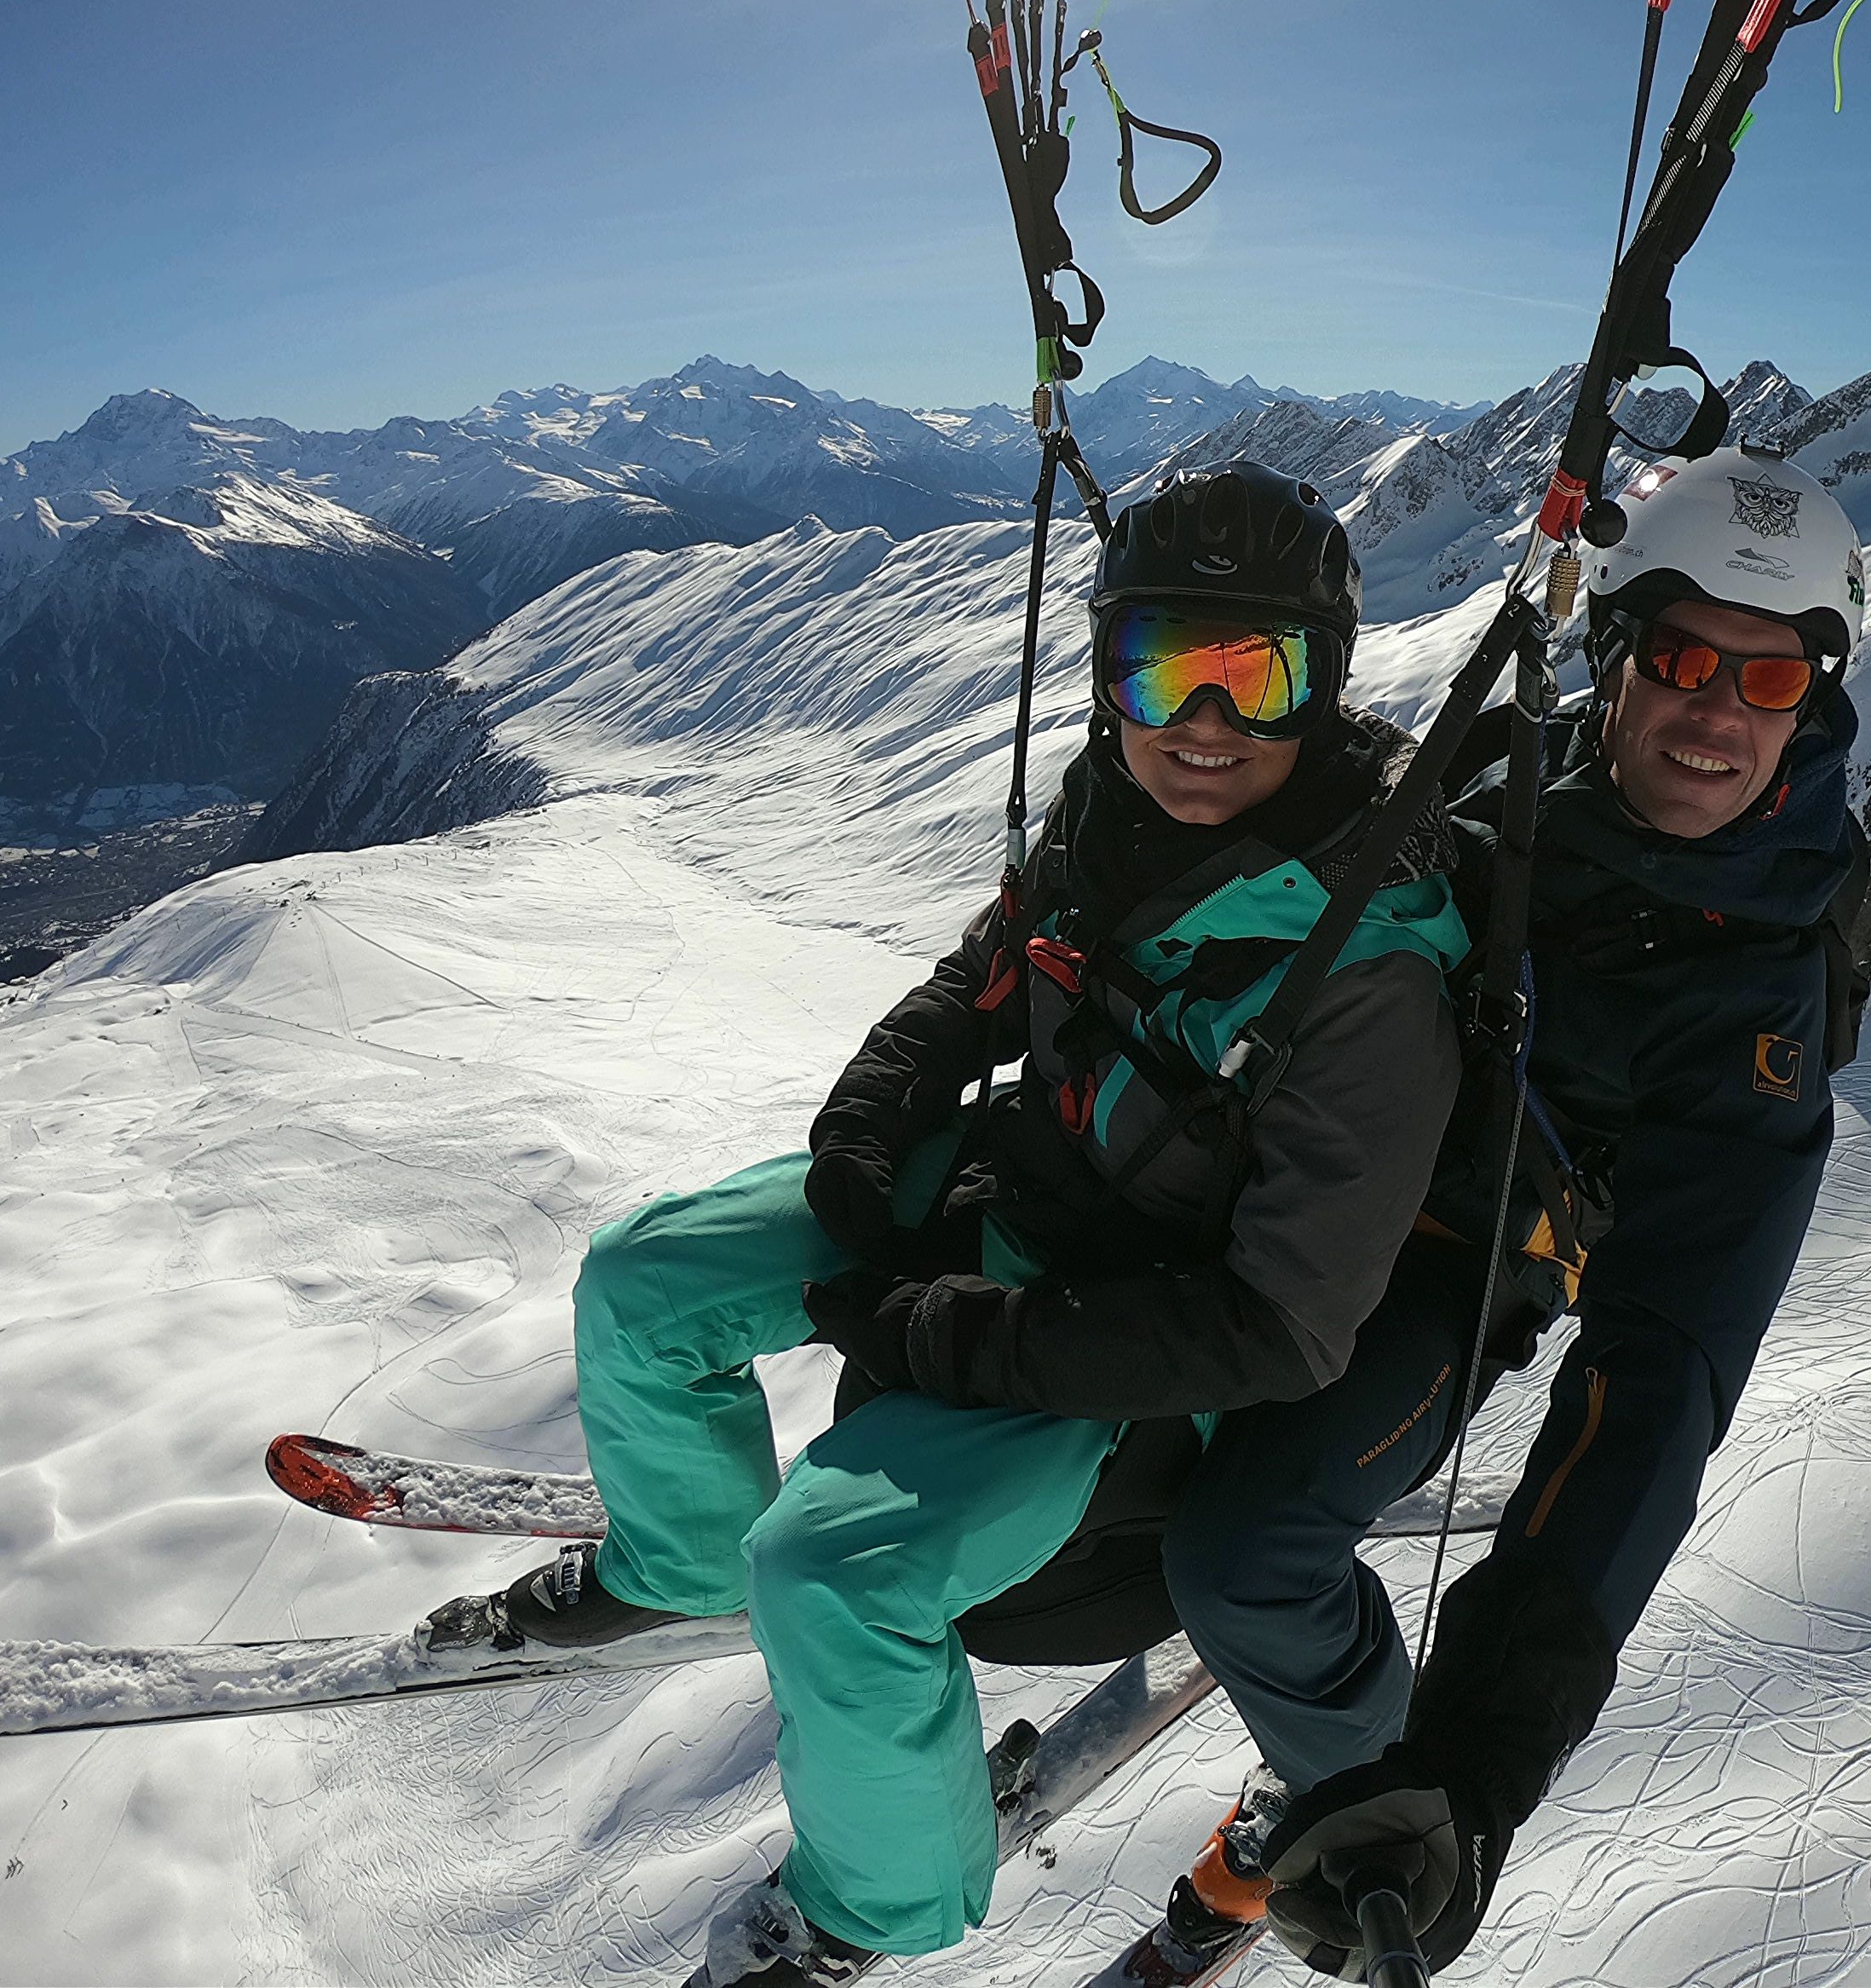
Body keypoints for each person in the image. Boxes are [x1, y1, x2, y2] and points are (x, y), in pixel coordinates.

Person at [462, 459, 1473, 1987]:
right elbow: (990, 969)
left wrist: (959, 1337)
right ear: (1106, 668)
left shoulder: (1366, 974)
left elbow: (1279, 1323)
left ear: (1322, 689)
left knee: (831, 1576)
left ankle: (877, 1904)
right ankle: (678, 1561)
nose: (1201, 724)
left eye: (1254, 676)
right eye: (1159, 666)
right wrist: (886, 1094)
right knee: (643, 1284)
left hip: (1125, 1345)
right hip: (1014, 1200)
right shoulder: (1104, 812)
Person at [1137, 447, 1871, 1981]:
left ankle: (1347, 1780)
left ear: (1818, 698)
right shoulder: (1499, 771)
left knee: (1247, 1555)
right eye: (1681, 657)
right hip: (1261, 1166)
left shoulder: (1759, 1010)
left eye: (1772, 678)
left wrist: (1476, 1765)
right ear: (1613, 656)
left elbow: (1661, 1370)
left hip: (1443, 1271)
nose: (1717, 711)